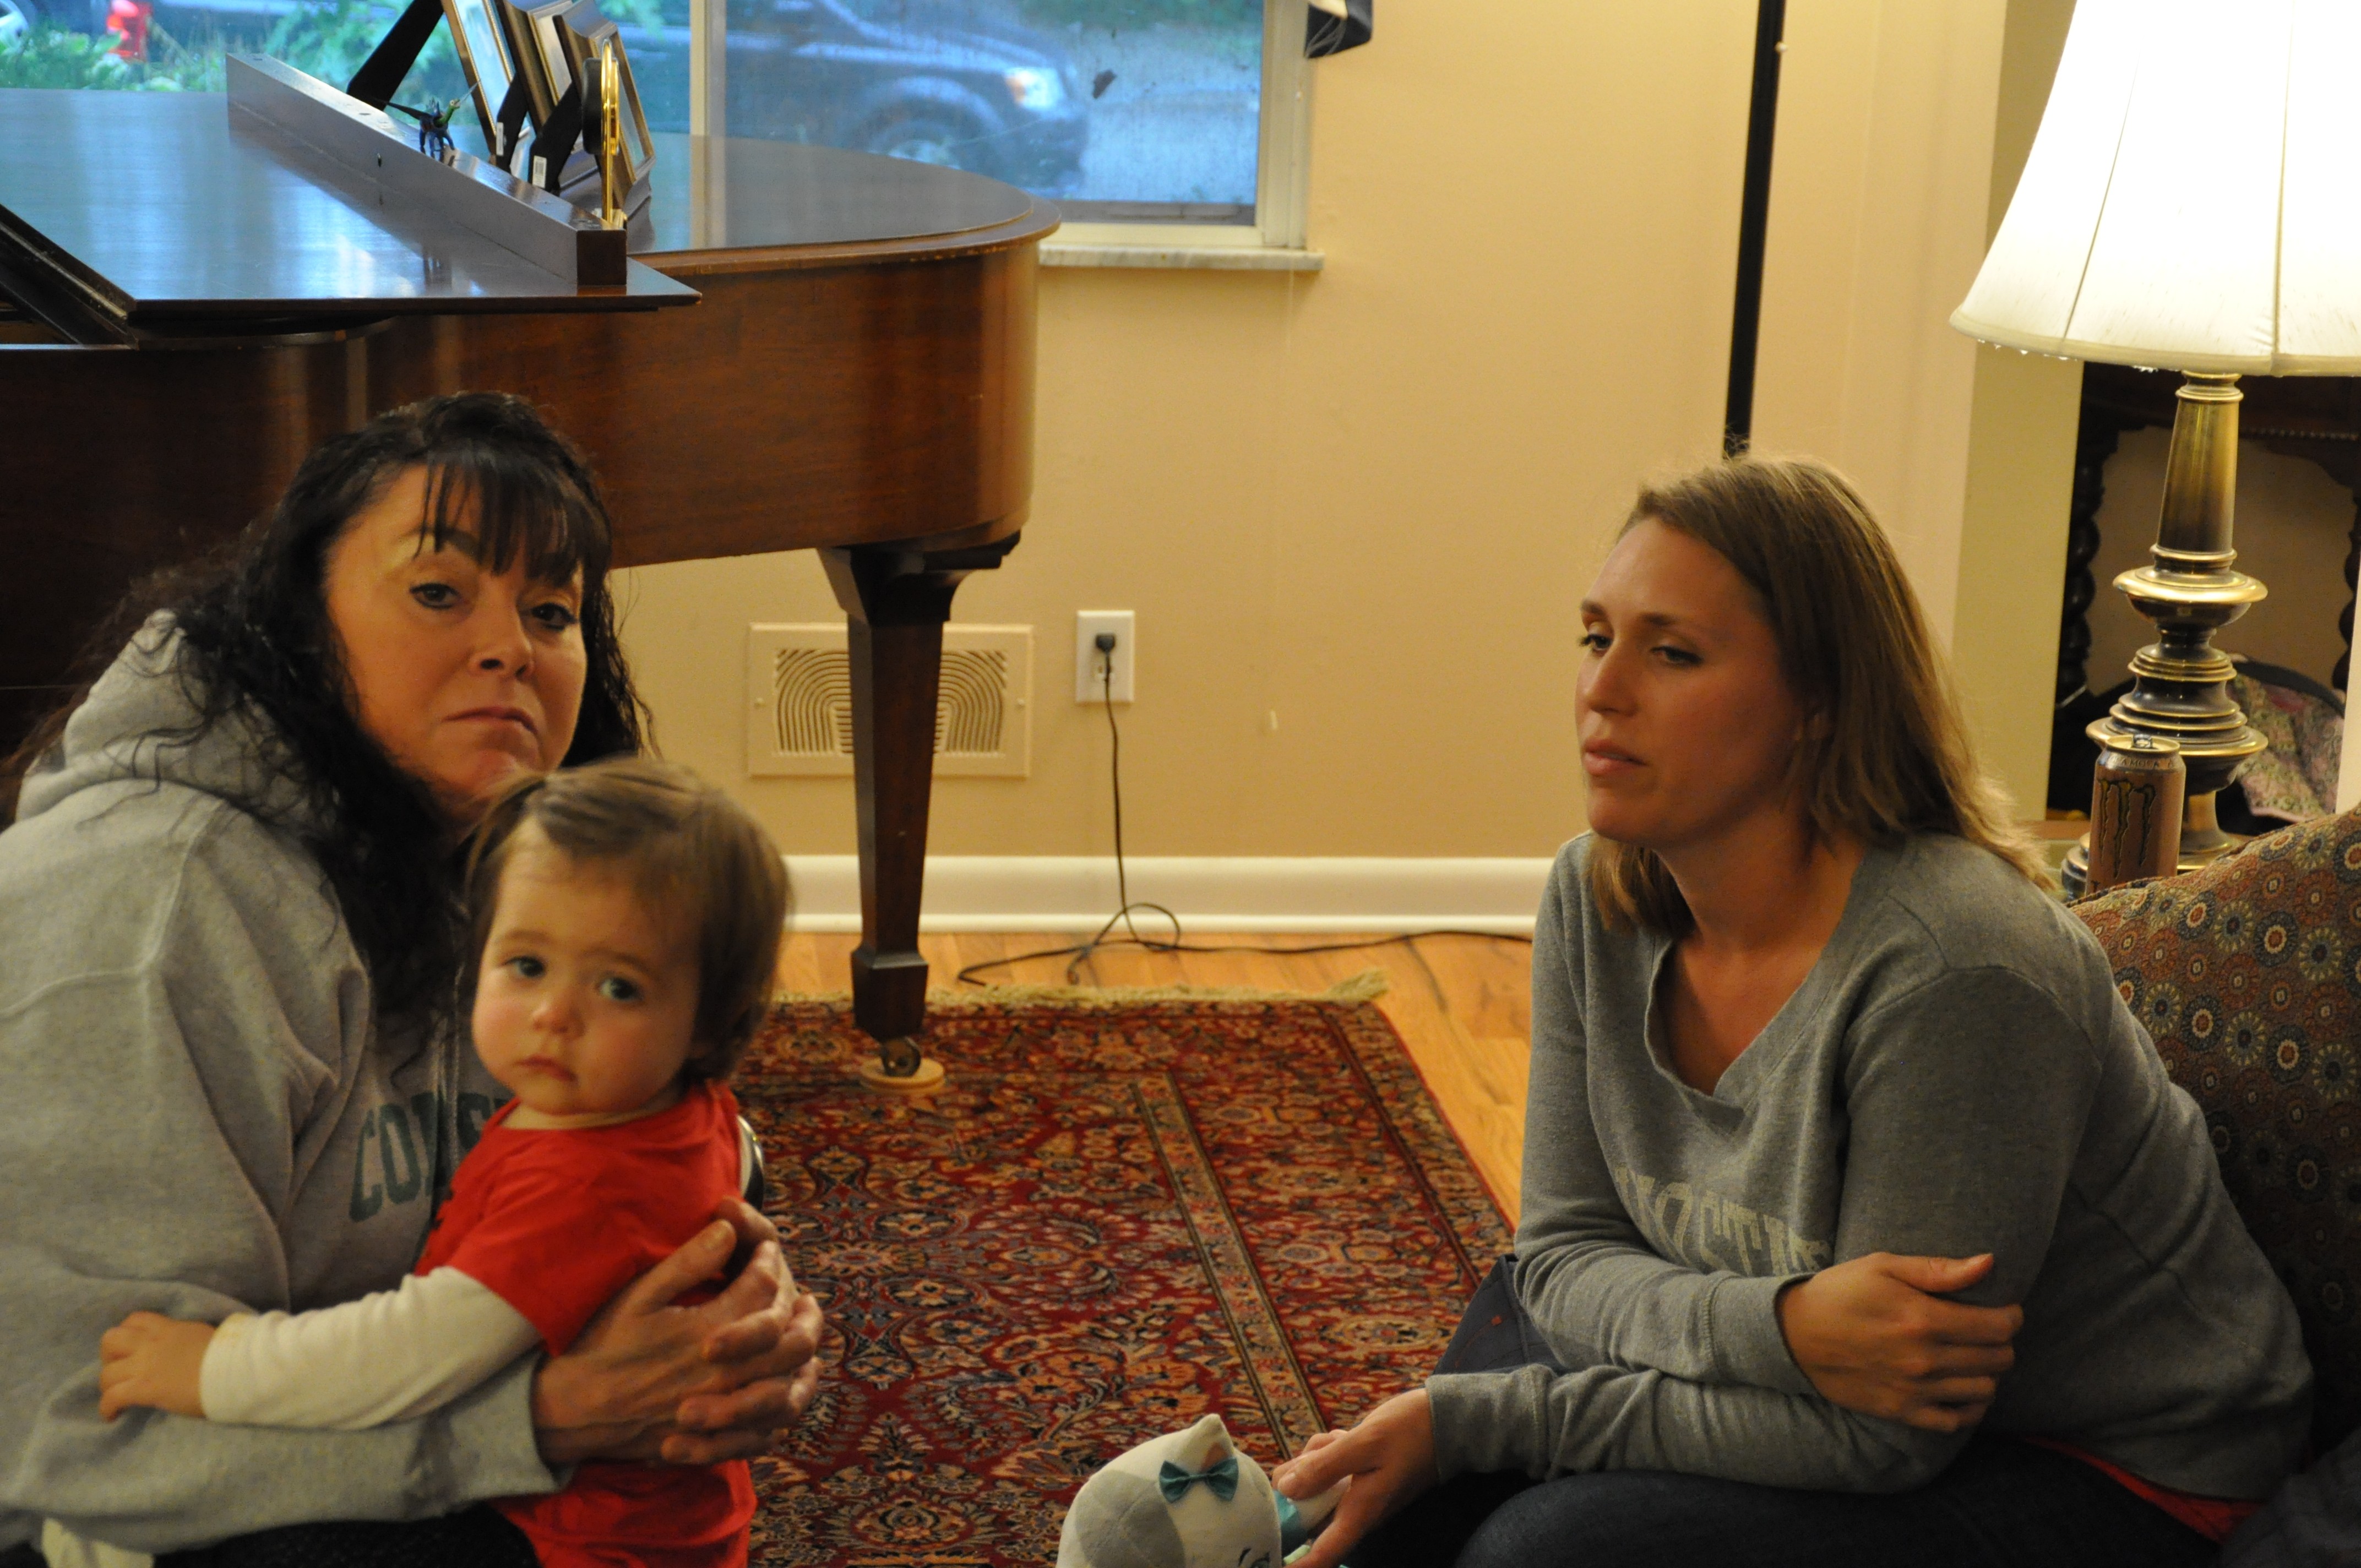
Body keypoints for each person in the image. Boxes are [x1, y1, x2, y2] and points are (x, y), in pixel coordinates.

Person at [1272, 457, 2313, 1568]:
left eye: (1671, 652)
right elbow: (1560, 1258)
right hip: (1820, 1382)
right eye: (1595, 637)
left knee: (1540, 1546)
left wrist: (1493, 1422)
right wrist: (1782, 1326)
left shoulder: (1959, 972)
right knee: (1390, 1506)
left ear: (1819, 702)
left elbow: (1884, 1435)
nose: (1601, 689)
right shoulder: (1593, 894)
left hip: (2120, 1467)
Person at [0, 394, 823, 1566]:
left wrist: (730, 1296)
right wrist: (539, 1423)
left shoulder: (499, 859)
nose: (511, 647)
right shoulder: (148, 911)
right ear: (296, 619)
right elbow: (79, 1440)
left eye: (551, 612)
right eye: (439, 592)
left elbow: (639, 1149)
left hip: (379, 1439)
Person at [97, 758, 793, 1568]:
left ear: (711, 1025)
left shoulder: (585, 1190)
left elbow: (407, 1354)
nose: (554, 1014)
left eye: (619, 987)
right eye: (527, 965)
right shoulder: (658, 1106)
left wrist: (211, 1369)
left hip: (567, 1543)